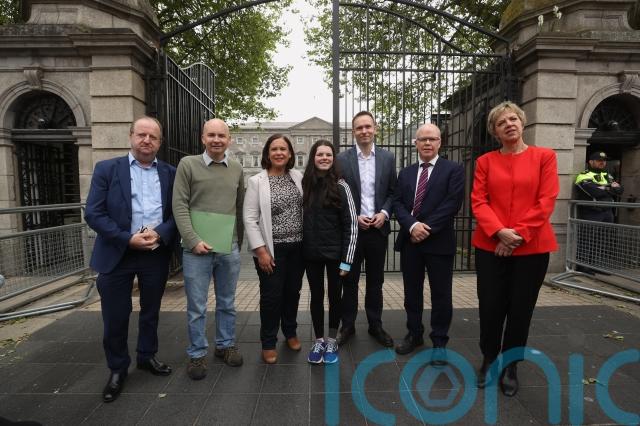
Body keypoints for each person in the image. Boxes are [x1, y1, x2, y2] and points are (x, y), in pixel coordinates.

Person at [85, 116, 177, 403]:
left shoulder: (171, 173)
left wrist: (160, 233)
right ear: (131, 136)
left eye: (153, 137)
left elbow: (178, 213)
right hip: (118, 252)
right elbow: (94, 213)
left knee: (151, 311)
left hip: (154, 253)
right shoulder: (107, 169)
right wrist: (127, 238)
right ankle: (117, 368)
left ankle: (146, 356)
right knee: (115, 315)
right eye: (141, 135)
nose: (146, 140)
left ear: (160, 142)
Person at [471, 101, 559, 397]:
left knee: (521, 310)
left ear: (522, 123)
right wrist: (499, 232)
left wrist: (516, 235)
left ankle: (511, 365)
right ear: (495, 132)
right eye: (501, 122)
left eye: (513, 119)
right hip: (490, 245)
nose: (508, 124)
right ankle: (489, 358)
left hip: (531, 247)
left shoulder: (544, 157)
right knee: (490, 307)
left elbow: (546, 200)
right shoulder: (485, 162)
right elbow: (479, 201)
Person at [172, 118, 245, 380]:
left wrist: (237, 242)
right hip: (195, 250)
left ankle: (225, 345)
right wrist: (193, 240)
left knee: (227, 302)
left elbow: (239, 206)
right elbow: (179, 205)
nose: (216, 140)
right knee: (197, 306)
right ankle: (197, 353)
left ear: (229, 140)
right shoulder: (188, 164)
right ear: (203, 138)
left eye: (221, 136)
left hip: (228, 247)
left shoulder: (236, 168)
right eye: (211, 135)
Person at [392, 124, 464, 364]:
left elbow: (452, 203)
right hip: (411, 242)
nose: (427, 143)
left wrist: (426, 228)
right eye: (422, 139)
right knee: (411, 293)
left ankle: (440, 342)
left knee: (441, 295)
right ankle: (414, 334)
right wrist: (412, 226)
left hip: (439, 242)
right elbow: (398, 203)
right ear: (415, 143)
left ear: (439, 142)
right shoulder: (406, 173)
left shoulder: (453, 170)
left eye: (432, 139)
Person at [336, 111, 397, 348]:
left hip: (378, 231)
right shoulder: (342, 159)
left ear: (375, 128)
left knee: (375, 281)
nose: (364, 131)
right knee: (348, 280)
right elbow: (337, 194)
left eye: (368, 126)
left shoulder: (387, 158)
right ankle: (347, 326)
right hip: (352, 233)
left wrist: (384, 213)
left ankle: (375, 325)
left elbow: (392, 192)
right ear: (353, 131)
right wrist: (354, 216)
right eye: (359, 128)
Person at [243, 134, 304, 364]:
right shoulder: (256, 181)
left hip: (298, 248)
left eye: (283, 149)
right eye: (274, 149)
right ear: (268, 154)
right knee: (271, 296)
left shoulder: (297, 177)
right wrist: (261, 251)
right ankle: (268, 342)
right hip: (271, 250)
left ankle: (290, 332)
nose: (279, 153)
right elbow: (249, 219)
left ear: (290, 154)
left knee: (293, 292)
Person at [302, 140, 358, 364]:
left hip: (336, 256)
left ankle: (332, 340)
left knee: (335, 297)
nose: (324, 158)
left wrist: (347, 261)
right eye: (320, 154)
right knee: (316, 297)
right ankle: (319, 340)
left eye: (328, 155)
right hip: (311, 254)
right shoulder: (305, 184)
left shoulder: (342, 186)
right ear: (313, 158)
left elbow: (351, 225)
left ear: (333, 159)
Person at [575, 151, 623, 222]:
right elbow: (595, 192)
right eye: (599, 160)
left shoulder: (607, 175)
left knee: (608, 230)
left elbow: (620, 190)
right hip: (592, 213)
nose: (602, 162)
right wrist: (611, 188)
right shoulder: (584, 175)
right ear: (591, 162)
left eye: (604, 160)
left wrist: (604, 188)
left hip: (608, 212)